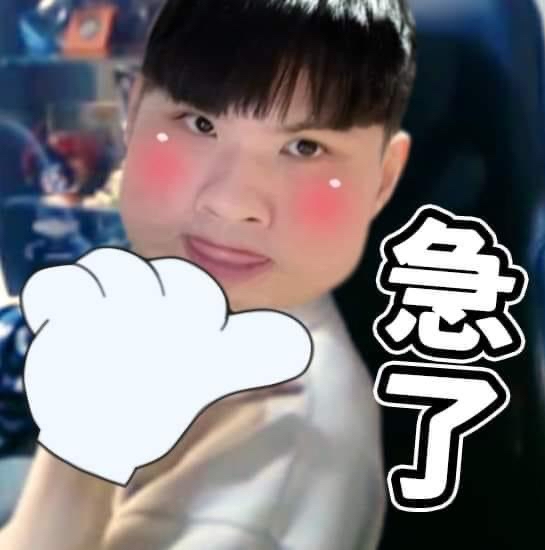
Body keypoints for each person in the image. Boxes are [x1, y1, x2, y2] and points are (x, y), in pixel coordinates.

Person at [0, 0, 416, 548]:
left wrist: (80, 453)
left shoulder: (277, 456)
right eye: (200, 123)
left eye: (304, 147)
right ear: (132, 115)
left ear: (381, 180)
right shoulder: (170, 306)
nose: (230, 202)